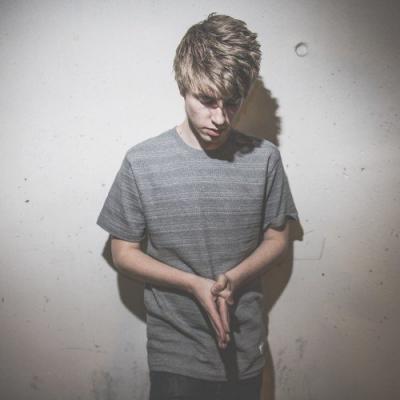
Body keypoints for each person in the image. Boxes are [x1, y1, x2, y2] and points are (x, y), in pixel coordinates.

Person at [97, 12, 299, 400]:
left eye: (232, 103)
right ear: (183, 86)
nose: (219, 118)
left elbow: (278, 239)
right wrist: (193, 284)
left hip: (245, 346)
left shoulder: (265, 159)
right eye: (206, 100)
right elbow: (123, 253)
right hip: (175, 353)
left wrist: (233, 279)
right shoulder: (142, 161)